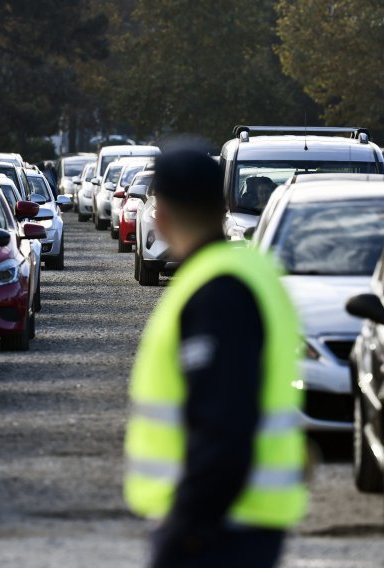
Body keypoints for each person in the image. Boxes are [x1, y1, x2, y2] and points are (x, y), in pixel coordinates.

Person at [124, 148, 308, 568]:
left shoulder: (217, 290)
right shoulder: (245, 271)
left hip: (219, 530)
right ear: (224, 205)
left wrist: (185, 532)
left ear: (162, 214)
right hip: (236, 523)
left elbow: (224, 426)